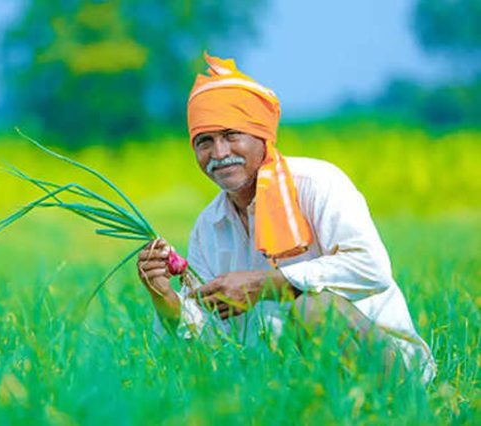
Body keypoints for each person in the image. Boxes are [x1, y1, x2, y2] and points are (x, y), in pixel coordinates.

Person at [136, 53, 436, 384]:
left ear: (262, 136)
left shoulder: (317, 184)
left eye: (232, 135)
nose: (219, 154)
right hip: (288, 380)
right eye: (204, 141)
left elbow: (371, 268)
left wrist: (265, 285)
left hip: (386, 367)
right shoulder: (209, 225)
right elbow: (206, 333)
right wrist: (163, 296)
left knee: (312, 309)